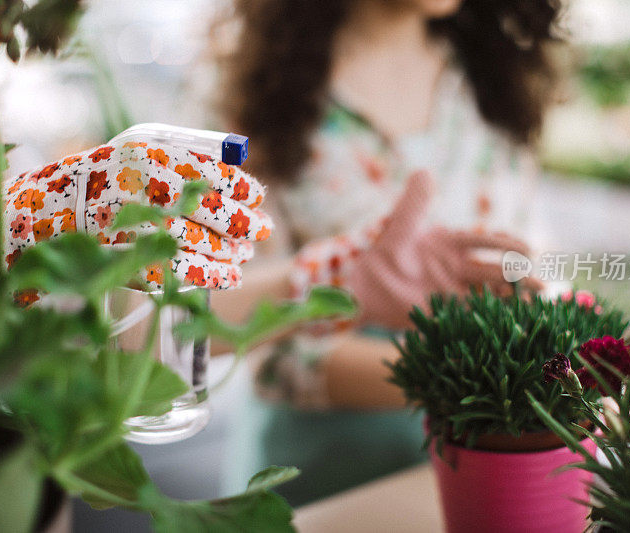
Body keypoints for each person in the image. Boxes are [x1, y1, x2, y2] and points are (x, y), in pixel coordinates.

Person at [207, 0, 564, 505]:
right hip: (318, 490)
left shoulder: (492, 81)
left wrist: (588, 351)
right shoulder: (255, 99)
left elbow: (531, 273)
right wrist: (480, 375)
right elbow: (259, 346)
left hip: (478, 484)